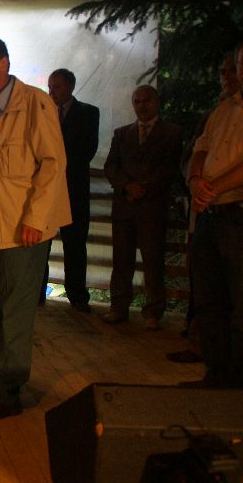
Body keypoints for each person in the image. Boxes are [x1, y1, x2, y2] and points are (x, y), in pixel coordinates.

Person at [0, 35, 70, 421]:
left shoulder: (34, 102)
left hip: (23, 223)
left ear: (4, 62)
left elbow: (53, 163)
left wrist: (36, 218)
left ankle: (6, 393)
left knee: (14, 309)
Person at [168, 51, 241, 364]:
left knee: (238, 298)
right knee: (209, 297)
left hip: (236, 212)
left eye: (234, 69)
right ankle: (215, 371)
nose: (232, 74)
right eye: (238, 65)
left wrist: (212, 188)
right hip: (210, 213)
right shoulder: (223, 109)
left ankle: (235, 377)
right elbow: (201, 147)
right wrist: (196, 180)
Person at [102, 85, 181, 330]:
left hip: (152, 206)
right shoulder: (122, 133)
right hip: (125, 205)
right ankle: (118, 306)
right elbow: (110, 166)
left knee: (153, 261)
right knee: (121, 260)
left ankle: (153, 311)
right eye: (137, 101)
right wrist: (127, 186)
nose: (142, 106)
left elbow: (170, 168)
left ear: (156, 102)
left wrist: (144, 188)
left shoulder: (171, 133)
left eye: (146, 100)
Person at [39, 68, 99, 312]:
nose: (52, 92)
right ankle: (36, 291)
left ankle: (77, 295)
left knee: (74, 244)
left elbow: (87, 150)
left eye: (57, 87)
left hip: (74, 187)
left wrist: (57, 163)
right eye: (50, 87)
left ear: (70, 87)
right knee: (41, 242)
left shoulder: (88, 113)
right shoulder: (43, 113)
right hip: (46, 188)